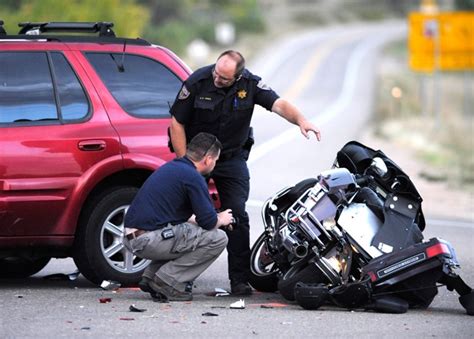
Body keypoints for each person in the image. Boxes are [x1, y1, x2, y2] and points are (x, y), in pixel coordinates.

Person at [169, 50, 321, 296]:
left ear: (238, 77)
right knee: (183, 211)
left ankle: (238, 280)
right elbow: (176, 122)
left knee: (237, 215)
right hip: (198, 158)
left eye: (224, 78)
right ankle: (172, 276)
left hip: (231, 158)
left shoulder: (251, 84)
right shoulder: (198, 81)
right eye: (216, 73)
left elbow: (279, 104)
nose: (217, 79)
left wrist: (302, 121)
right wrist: (184, 163)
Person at [123, 132, 233, 301]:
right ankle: (168, 281)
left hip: (133, 237)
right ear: (208, 159)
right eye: (216, 160)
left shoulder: (173, 168)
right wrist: (222, 219)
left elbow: (179, 216)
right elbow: (209, 222)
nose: (214, 164)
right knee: (218, 238)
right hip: (148, 240)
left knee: (191, 235)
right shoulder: (193, 177)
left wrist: (200, 220)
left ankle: (151, 277)